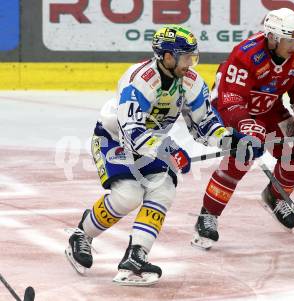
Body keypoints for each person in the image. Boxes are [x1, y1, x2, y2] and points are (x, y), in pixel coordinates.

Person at [64, 25, 259, 286]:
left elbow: (204, 124)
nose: (190, 63)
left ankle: (136, 256)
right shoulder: (140, 80)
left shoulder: (190, 81)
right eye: (185, 56)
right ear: (167, 57)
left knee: (164, 189)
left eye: (193, 56)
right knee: (128, 196)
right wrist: (169, 150)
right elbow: (130, 132)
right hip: (113, 140)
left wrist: (232, 139)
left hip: (153, 144)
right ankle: (82, 235)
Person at [191, 8, 294, 250]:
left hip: (268, 108)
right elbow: (230, 98)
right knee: (240, 160)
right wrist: (247, 126)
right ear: (273, 38)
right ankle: (207, 217)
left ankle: (274, 196)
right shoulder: (247, 54)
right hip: (231, 108)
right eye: (291, 40)